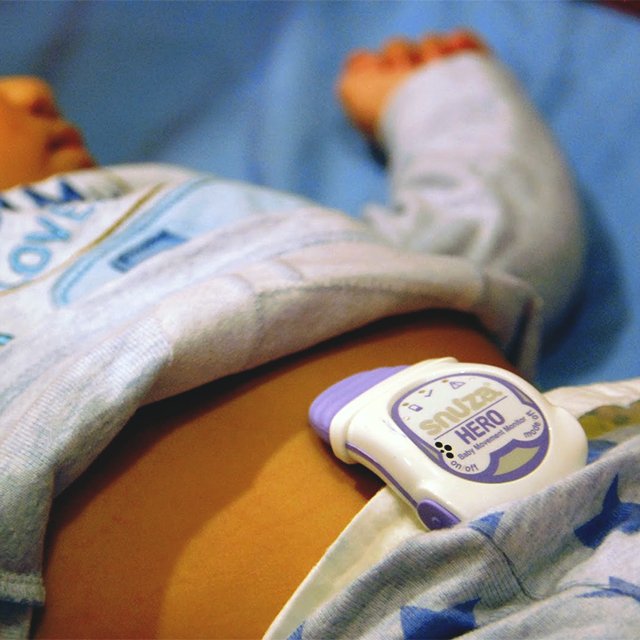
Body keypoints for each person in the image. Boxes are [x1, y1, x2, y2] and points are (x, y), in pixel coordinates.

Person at [3, 31, 635, 640]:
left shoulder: (199, 208)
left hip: (598, 477)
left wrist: (443, 103)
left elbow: (492, 247)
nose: (33, 89)